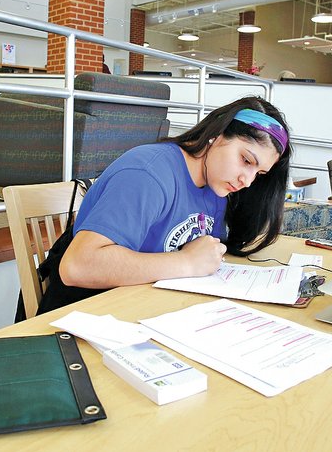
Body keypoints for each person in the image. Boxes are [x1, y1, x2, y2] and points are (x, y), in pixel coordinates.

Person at [36, 96, 292, 313]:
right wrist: (187, 262)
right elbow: (77, 266)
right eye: (246, 160)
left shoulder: (217, 186)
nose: (246, 181)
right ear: (216, 134)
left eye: (258, 174)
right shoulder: (148, 173)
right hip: (86, 311)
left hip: (144, 306)